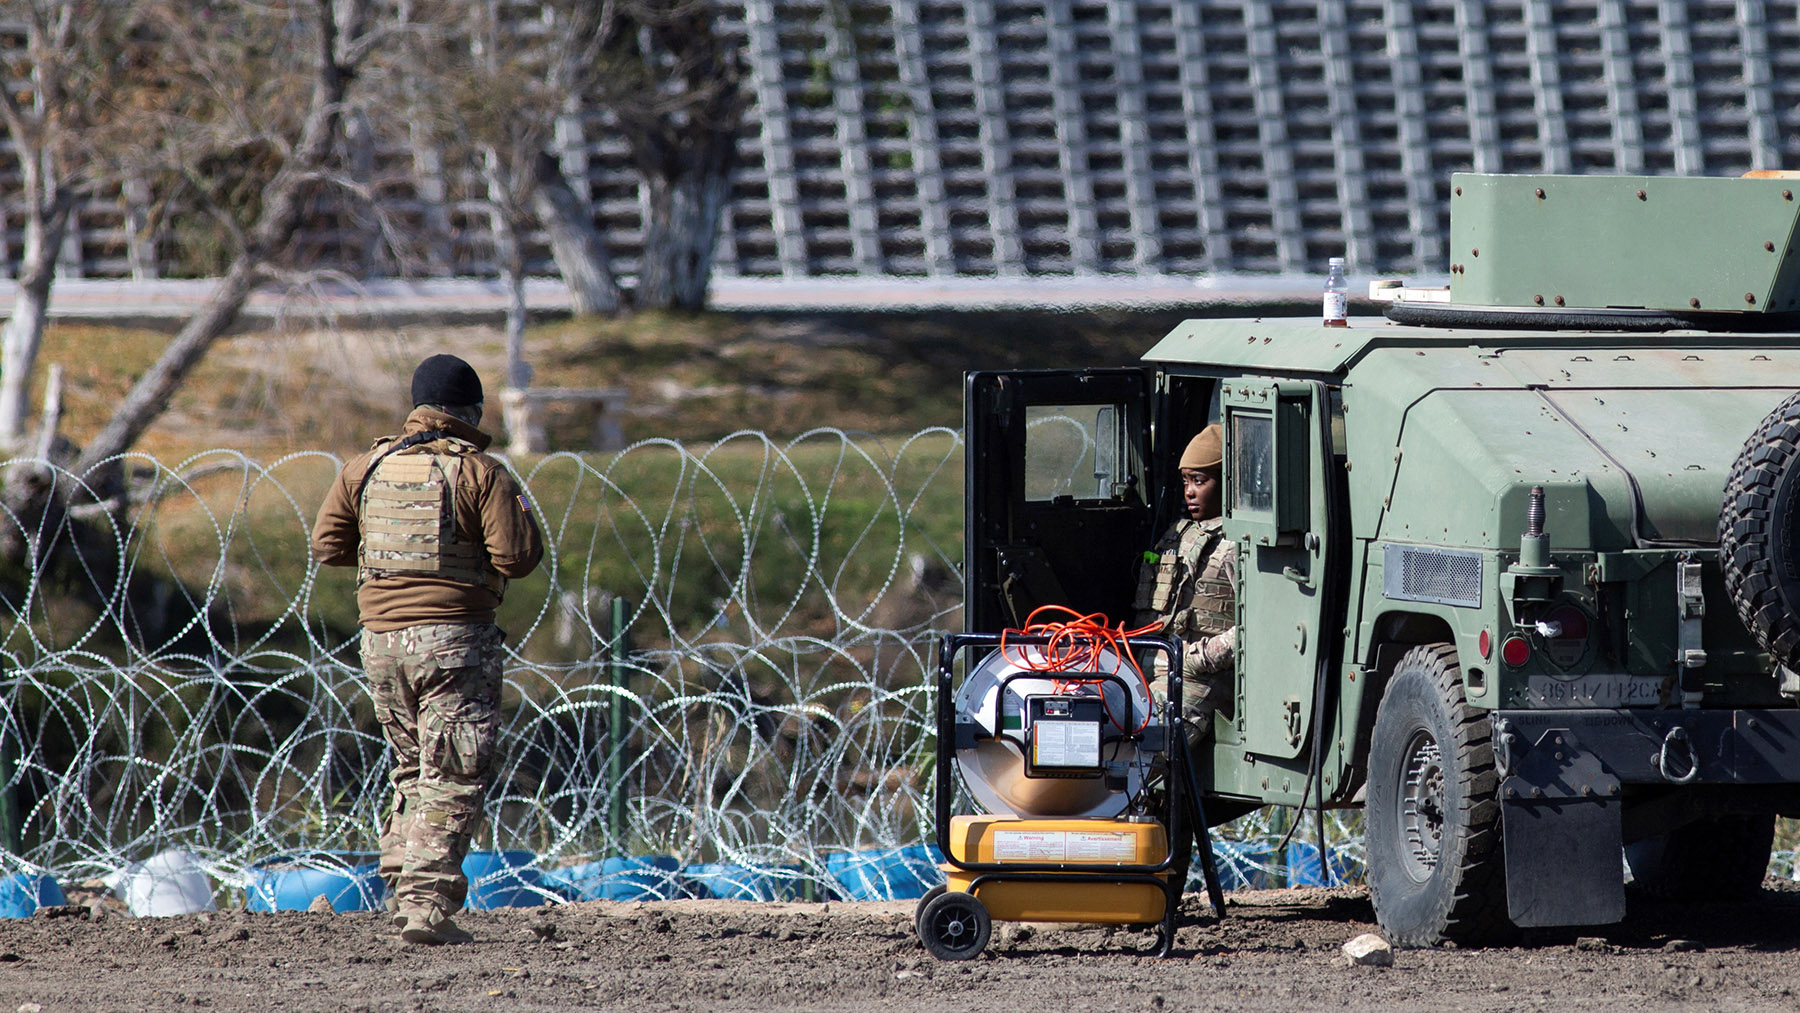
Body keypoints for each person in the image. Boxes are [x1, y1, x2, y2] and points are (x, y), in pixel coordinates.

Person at [311, 353, 543, 946]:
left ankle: (402, 889)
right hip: (454, 641)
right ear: (471, 410)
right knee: (455, 770)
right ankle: (426, 905)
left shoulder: (366, 467)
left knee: (413, 767)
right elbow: (517, 558)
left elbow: (328, 546)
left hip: (380, 643)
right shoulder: (479, 472)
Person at [1132, 424, 1237, 746]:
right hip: (1152, 664)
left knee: (1148, 746)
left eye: (1200, 481)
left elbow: (1260, 624)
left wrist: (1197, 659)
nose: (1189, 491)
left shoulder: (1237, 545)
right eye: (1186, 481)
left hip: (1201, 676)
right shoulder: (1177, 534)